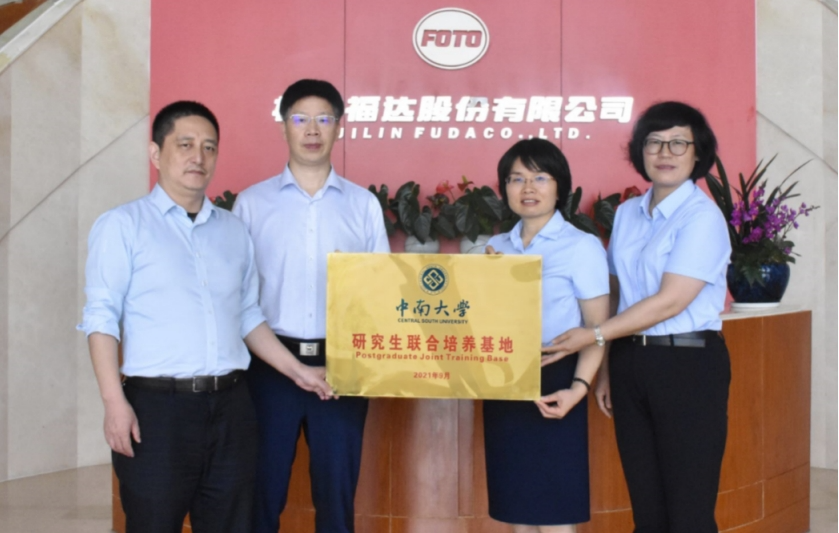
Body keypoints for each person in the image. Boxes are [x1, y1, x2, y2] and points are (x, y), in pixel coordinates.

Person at [79, 101, 332, 533]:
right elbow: (101, 318)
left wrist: (300, 372)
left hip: (232, 409)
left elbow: (248, 316)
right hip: (157, 412)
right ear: (156, 153)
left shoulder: (233, 231)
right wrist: (113, 402)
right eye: (185, 145)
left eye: (209, 147)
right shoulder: (123, 225)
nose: (198, 156)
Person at [549, 101, 731, 533]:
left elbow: (670, 301)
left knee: (688, 513)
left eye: (678, 143)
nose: (665, 152)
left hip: (688, 366)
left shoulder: (702, 217)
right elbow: (616, 293)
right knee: (647, 511)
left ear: (697, 153)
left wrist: (592, 335)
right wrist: (607, 368)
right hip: (632, 362)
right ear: (640, 151)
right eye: (654, 142)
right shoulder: (629, 212)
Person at [233, 79, 389, 533]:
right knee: (261, 493)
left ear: (339, 127)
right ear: (283, 126)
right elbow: (239, 297)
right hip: (269, 365)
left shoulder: (362, 205)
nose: (312, 130)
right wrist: (287, 367)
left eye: (324, 119)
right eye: (301, 119)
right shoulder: (251, 204)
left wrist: (349, 360)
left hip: (343, 366)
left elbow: (380, 293)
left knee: (336, 498)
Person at [483, 139, 610, 533]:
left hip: (557, 381)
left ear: (560, 187)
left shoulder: (581, 247)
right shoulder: (494, 248)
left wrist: (578, 388)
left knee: (555, 516)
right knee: (517, 514)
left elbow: (597, 330)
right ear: (505, 189)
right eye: (516, 178)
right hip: (503, 381)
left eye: (540, 177)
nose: (528, 188)